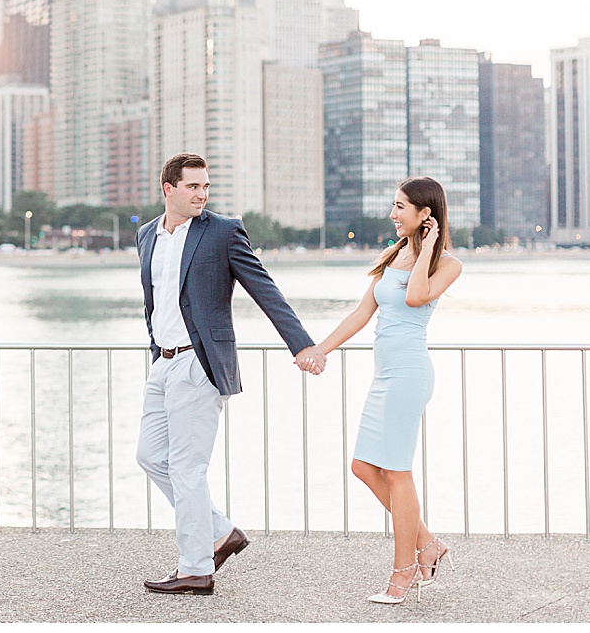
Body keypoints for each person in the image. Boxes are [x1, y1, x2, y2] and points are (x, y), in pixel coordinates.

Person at [135, 152, 326, 595]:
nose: (202, 194)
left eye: (205, 186)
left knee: (186, 467)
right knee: (150, 456)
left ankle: (195, 568)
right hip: (162, 363)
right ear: (169, 189)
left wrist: (301, 344)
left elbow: (264, 288)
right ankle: (220, 532)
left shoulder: (222, 232)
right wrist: (155, 351)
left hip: (199, 364)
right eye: (192, 187)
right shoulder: (147, 236)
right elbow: (155, 301)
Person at [305, 176, 462, 604]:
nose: (392, 214)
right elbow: (362, 312)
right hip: (384, 375)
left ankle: (404, 572)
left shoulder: (446, 263)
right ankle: (428, 544)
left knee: (397, 472)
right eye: (393, 206)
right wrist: (320, 349)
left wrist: (427, 248)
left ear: (424, 214)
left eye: (400, 207)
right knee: (363, 466)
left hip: (409, 373)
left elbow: (415, 299)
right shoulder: (392, 255)